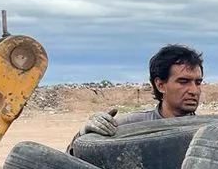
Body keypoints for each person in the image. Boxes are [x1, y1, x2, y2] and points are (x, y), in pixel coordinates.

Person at [69, 44, 204, 147]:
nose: (194, 90)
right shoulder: (127, 127)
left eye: (198, 82)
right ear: (160, 85)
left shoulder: (207, 131)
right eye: (183, 82)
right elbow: (72, 161)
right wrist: (85, 133)